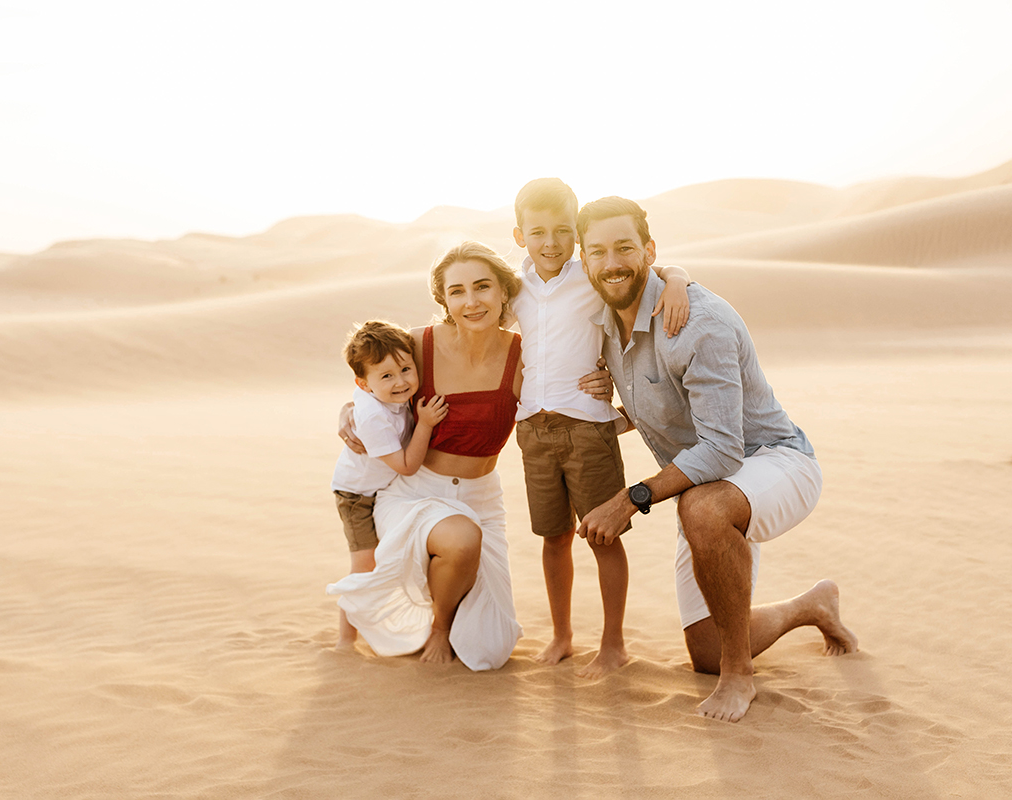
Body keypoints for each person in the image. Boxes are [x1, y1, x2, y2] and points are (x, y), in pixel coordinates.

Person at [574, 196, 858, 722]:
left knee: (701, 509)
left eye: (624, 248)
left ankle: (739, 678)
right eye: (598, 252)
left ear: (649, 250)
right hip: (704, 484)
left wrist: (631, 499)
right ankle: (810, 606)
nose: (612, 262)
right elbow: (660, 403)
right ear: (584, 260)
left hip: (774, 461)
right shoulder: (602, 320)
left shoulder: (697, 322)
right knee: (707, 650)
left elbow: (723, 449)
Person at [510, 178, 692, 677]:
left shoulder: (590, 279)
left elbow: (652, 275)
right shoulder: (512, 288)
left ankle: (613, 643)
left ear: (576, 235)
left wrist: (676, 279)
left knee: (604, 537)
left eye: (563, 231)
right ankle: (563, 635)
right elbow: (461, 317)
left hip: (589, 430)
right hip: (533, 430)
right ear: (519, 234)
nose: (551, 243)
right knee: (553, 538)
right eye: (539, 232)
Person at [327, 242, 526, 670]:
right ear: (444, 300)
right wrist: (348, 410)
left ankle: (453, 615)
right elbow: (375, 381)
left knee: (489, 651)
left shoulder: (523, 355)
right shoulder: (420, 344)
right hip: (414, 491)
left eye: (482, 287)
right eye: (457, 291)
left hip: (482, 498)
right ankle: (439, 626)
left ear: (504, 291)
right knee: (459, 539)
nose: (470, 301)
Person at [329, 320, 449, 649]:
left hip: (384, 490)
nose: (401, 382)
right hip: (356, 496)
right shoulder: (373, 417)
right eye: (386, 376)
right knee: (364, 566)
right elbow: (407, 466)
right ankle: (345, 639)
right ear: (364, 384)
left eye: (406, 369)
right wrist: (425, 423)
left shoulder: (385, 395)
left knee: (394, 558)